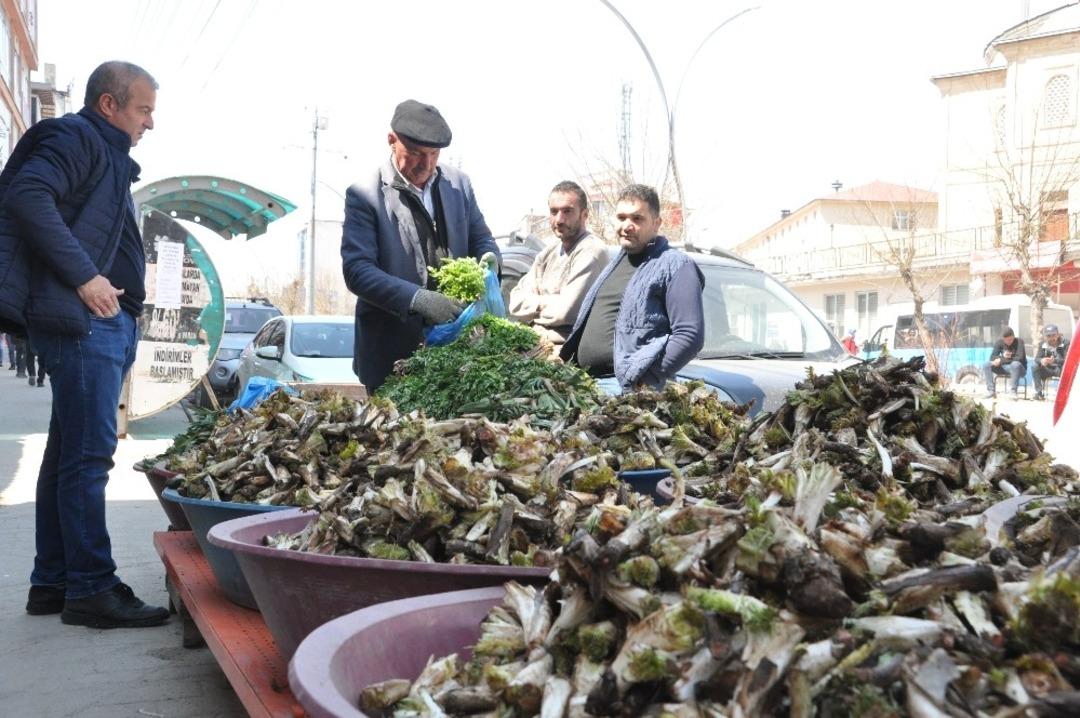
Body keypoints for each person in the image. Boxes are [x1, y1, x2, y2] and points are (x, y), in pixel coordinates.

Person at [0, 61, 170, 628]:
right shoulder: (74, 136)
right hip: (83, 322)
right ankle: (92, 588)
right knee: (88, 458)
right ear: (108, 105)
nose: (149, 122)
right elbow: (27, 194)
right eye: (143, 110)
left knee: (67, 455)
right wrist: (86, 277)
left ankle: (53, 582)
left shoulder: (104, 152)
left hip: (96, 323)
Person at [341, 99, 500, 391]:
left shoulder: (459, 185)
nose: (426, 164)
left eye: (433, 154)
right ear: (392, 141)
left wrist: (490, 259)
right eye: (415, 153)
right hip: (391, 353)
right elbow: (357, 271)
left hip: (455, 352)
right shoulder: (365, 195)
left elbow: (481, 237)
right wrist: (418, 299)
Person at [561, 184, 705, 390]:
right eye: (621, 217)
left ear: (656, 223)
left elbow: (689, 335)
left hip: (623, 389)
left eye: (637, 219)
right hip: (586, 383)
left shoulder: (676, 265)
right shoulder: (617, 262)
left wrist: (644, 380)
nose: (627, 225)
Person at [508, 181, 608, 347]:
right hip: (533, 342)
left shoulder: (591, 251)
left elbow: (566, 312)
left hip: (565, 351)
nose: (559, 219)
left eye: (567, 211)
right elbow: (515, 302)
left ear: (584, 215)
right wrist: (549, 301)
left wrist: (534, 302)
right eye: (554, 212)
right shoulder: (548, 253)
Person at [983, 326, 1027, 398]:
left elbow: (1019, 358)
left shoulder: (1019, 342)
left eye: (1010, 340)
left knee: (1015, 364)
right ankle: (991, 391)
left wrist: (1002, 360)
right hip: (1004, 367)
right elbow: (992, 357)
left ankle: (1013, 391)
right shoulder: (999, 342)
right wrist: (1000, 359)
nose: (1008, 342)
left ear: (1013, 336)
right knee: (986, 364)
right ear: (1003, 339)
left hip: (1019, 369)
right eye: (1006, 340)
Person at [1032, 323, 1069, 400]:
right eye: (1048, 336)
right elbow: (1037, 358)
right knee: (1035, 366)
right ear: (1045, 336)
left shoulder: (1065, 343)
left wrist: (1054, 360)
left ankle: (1064, 393)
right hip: (1048, 369)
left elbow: (1067, 360)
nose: (1051, 338)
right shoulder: (1043, 344)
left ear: (1058, 335)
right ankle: (1038, 392)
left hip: (1060, 369)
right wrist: (1042, 360)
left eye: (1053, 335)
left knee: (1067, 368)